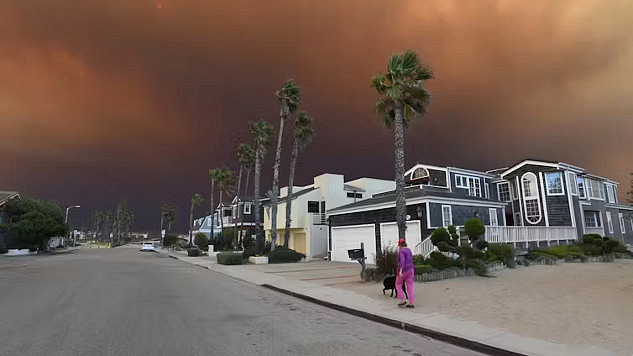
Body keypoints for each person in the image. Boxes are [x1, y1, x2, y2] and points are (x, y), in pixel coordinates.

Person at [396, 238, 415, 308]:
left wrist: (400, 270)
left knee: (398, 284)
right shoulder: (409, 250)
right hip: (411, 269)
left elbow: (402, 261)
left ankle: (402, 301)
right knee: (410, 286)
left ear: (400, 245)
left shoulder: (401, 251)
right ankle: (411, 302)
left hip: (403, 271)